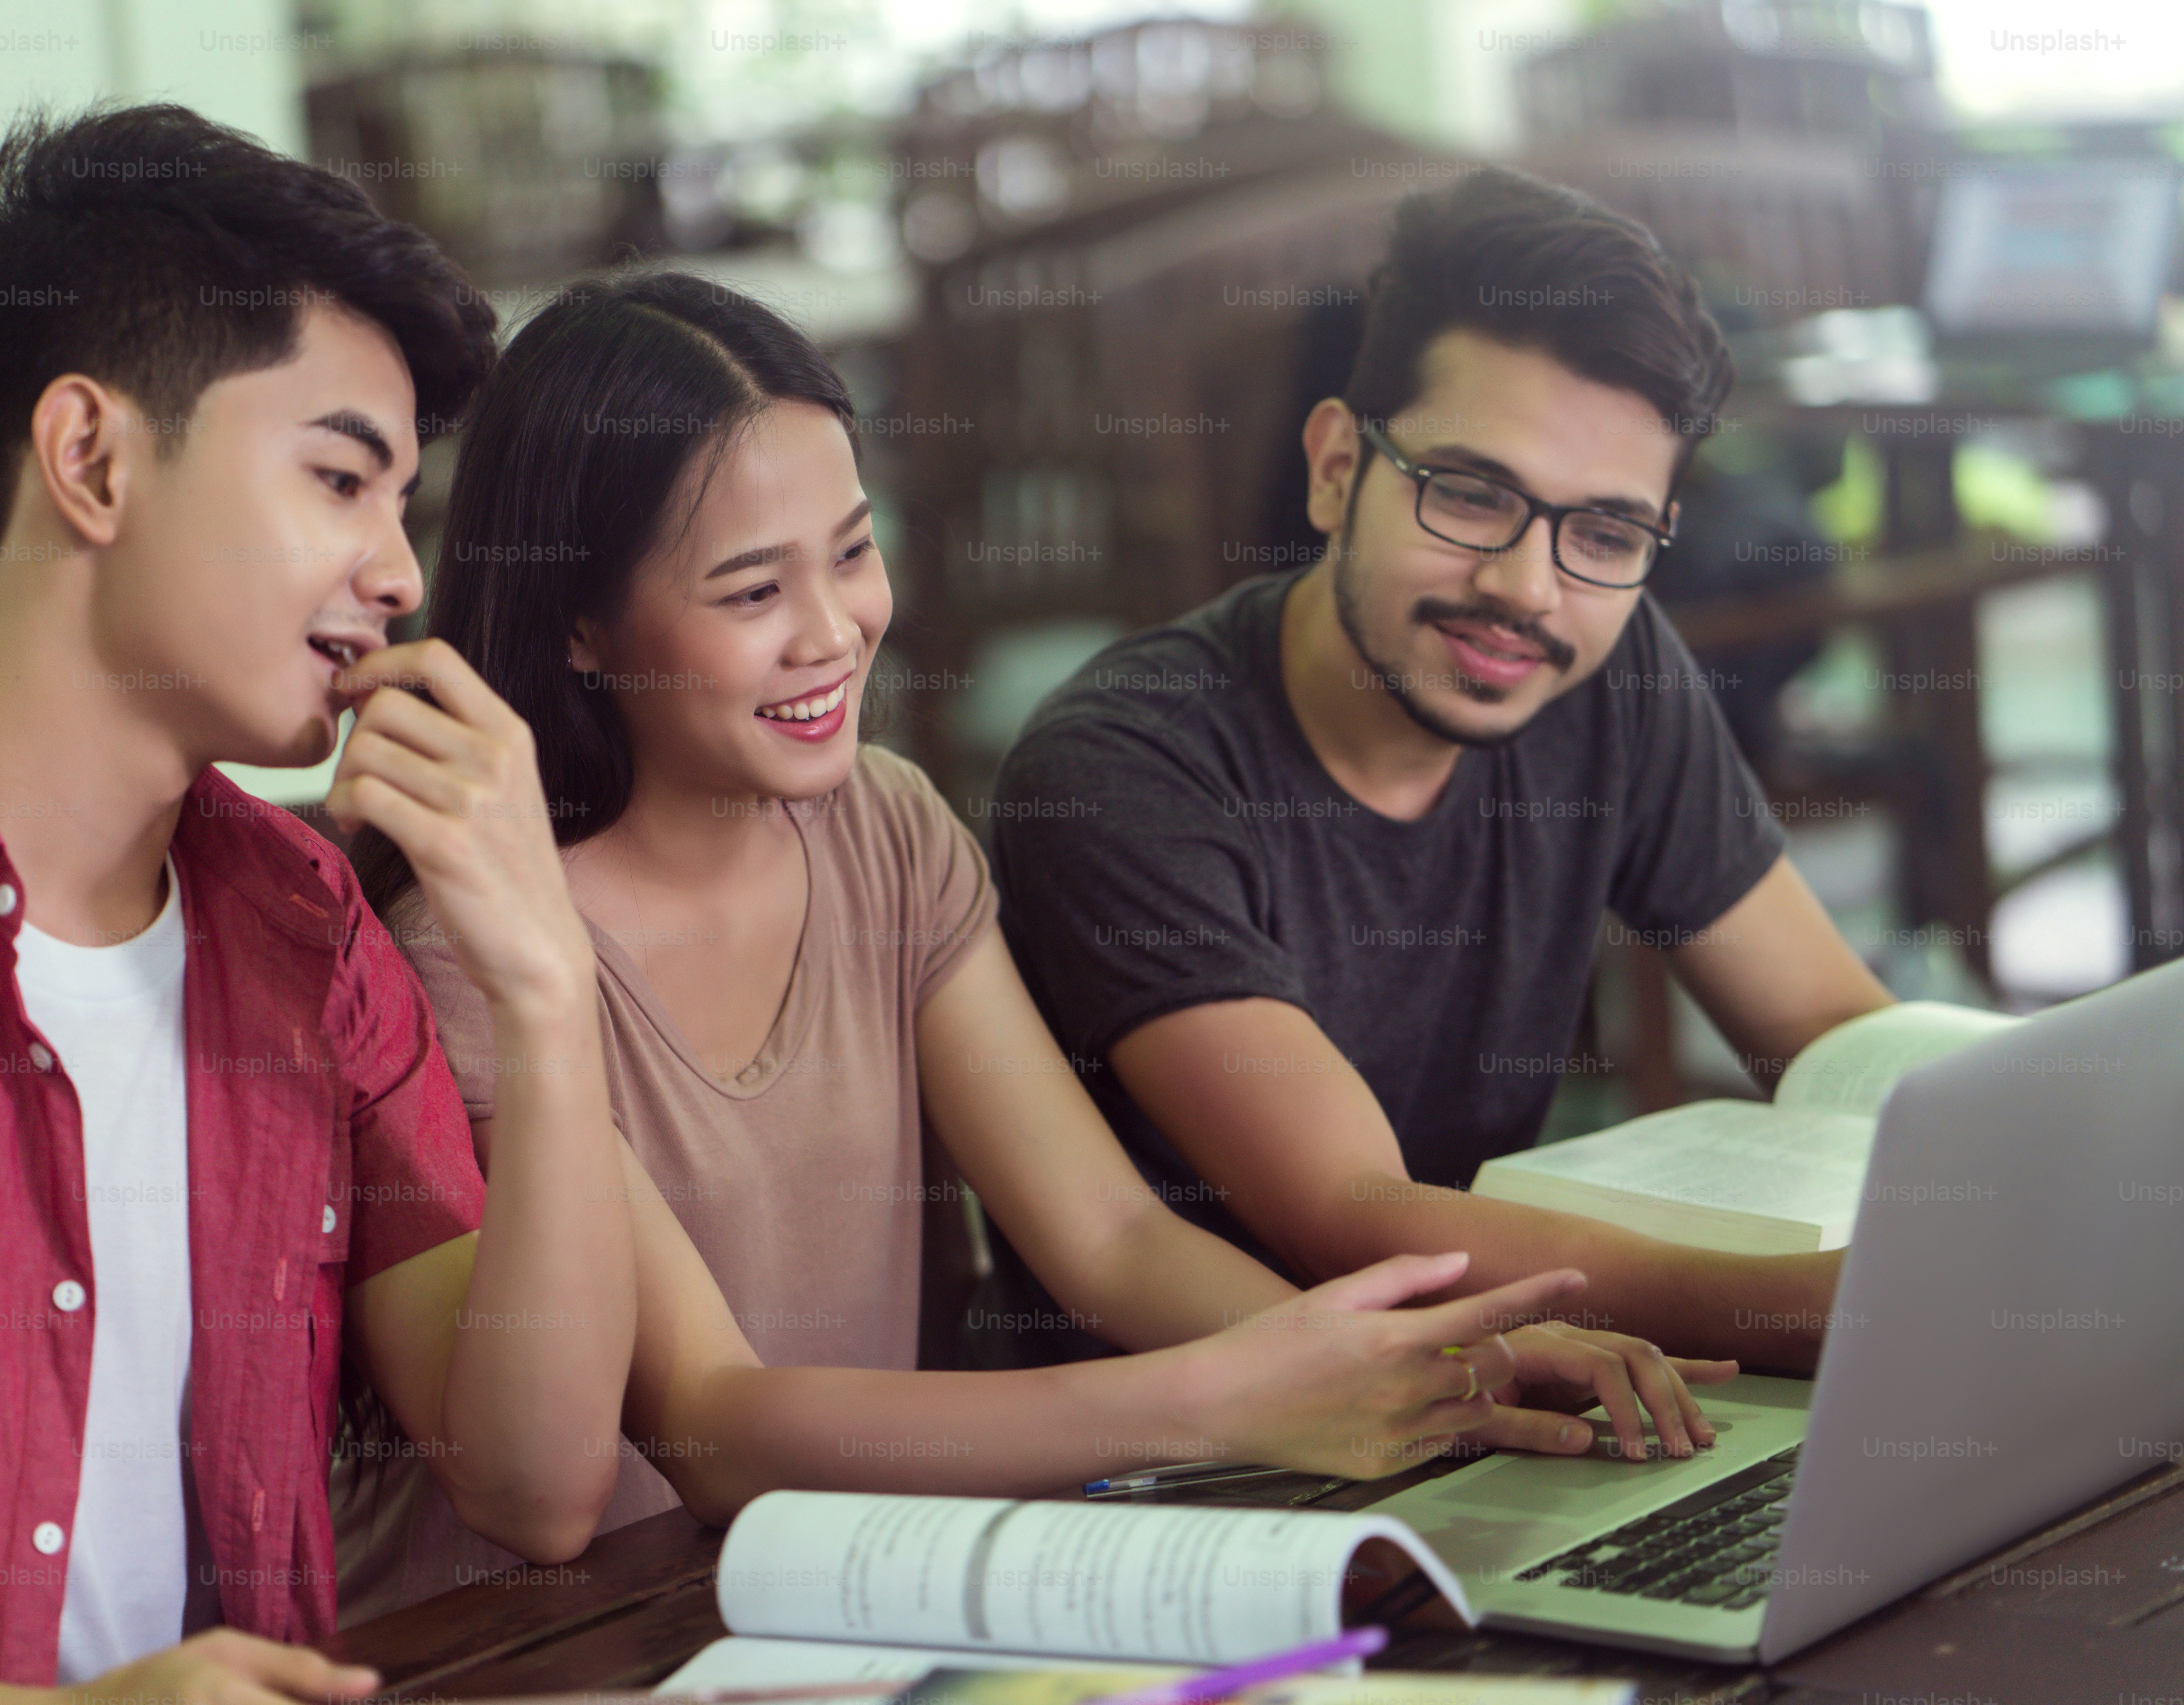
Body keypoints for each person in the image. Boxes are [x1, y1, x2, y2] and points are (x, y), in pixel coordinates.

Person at [331, 271, 1737, 1620]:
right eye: (752, 593)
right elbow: (713, 1425)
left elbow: (1110, 1236)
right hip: (570, 1637)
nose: (833, 633)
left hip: (841, 1596)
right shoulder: (479, 947)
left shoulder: (884, 830)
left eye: (853, 552)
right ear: (582, 624)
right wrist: (1221, 1401)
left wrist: (1422, 1375)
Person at [0, 105, 643, 1701]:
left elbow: (534, 1485)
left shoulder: (306, 929)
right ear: (91, 459)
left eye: (402, 510)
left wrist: (548, 990)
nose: (398, 576)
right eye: (338, 480)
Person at [986, 167, 1895, 1372]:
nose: (1528, 588)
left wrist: (2034, 1159)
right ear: (1333, 471)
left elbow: (1830, 1030)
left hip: (1497, 1386)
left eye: (1608, 534)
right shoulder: (1124, 767)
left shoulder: (1605, 674)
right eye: (1469, 496)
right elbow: (1350, 1216)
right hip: (1194, 1467)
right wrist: (1812, 1309)